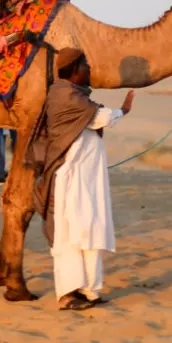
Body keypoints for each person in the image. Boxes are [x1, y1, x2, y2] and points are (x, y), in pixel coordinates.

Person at [31, 48, 134, 311]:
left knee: (90, 229)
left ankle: (90, 289)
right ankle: (67, 294)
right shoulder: (65, 94)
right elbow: (100, 118)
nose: (89, 69)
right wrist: (123, 111)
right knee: (69, 234)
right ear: (75, 69)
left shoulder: (71, 94)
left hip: (87, 179)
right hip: (71, 179)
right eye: (85, 65)